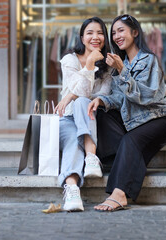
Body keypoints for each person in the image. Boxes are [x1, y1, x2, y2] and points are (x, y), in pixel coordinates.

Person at [88, 14, 166, 212]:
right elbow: (120, 99)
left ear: (135, 32)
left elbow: (146, 96)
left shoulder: (149, 60)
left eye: (121, 30)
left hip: (158, 119)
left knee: (130, 140)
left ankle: (119, 194)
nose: (116, 36)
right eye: (113, 33)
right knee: (100, 114)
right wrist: (102, 100)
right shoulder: (121, 64)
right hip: (134, 122)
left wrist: (122, 71)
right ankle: (124, 158)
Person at [54, 17, 112, 212]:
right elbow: (83, 90)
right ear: (82, 37)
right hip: (67, 118)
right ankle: (72, 190)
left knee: (81, 102)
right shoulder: (69, 60)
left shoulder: (108, 65)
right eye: (90, 33)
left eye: (100, 32)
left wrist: (70, 95)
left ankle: (90, 159)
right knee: (72, 140)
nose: (95, 37)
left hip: (91, 117)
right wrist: (88, 65)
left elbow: (98, 95)